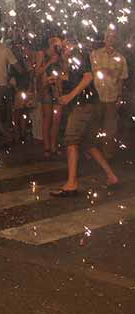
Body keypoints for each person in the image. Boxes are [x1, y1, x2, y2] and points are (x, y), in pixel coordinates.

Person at [50, 40, 119, 197]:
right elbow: (76, 78)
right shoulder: (72, 59)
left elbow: (88, 78)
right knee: (88, 143)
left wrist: (69, 97)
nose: (62, 47)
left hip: (84, 106)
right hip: (91, 105)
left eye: (64, 44)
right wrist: (60, 79)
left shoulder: (78, 55)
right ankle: (111, 176)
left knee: (71, 141)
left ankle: (71, 183)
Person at [91, 29, 128, 159]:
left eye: (113, 38)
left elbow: (121, 80)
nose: (110, 40)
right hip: (97, 95)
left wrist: (119, 96)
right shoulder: (95, 54)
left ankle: (107, 153)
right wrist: (104, 71)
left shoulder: (121, 59)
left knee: (110, 126)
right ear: (105, 40)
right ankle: (93, 150)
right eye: (108, 37)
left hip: (112, 96)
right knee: (94, 124)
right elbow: (92, 73)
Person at [34, 36, 66, 158]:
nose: (57, 48)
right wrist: (49, 63)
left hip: (58, 89)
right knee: (47, 118)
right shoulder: (42, 54)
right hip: (46, 89)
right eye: (55, 46)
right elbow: (37, 73)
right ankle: (46, 146)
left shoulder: (60, 56)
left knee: (57, 120)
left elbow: (65, 72)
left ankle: (53, 146)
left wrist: (63, 58)